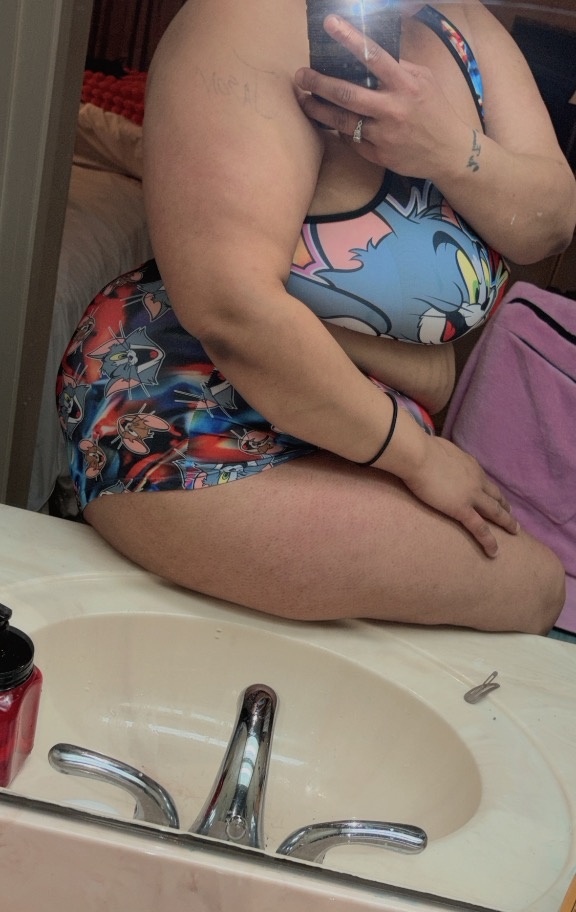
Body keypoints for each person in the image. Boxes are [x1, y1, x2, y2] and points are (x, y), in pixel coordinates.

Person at [57, 0, 576, 633]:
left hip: (352, 419)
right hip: (193, 407)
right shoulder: (247, 19)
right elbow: (232, 309)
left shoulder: (466, 26)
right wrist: (419, 455)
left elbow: (550, 225)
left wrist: (447, 149)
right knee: (535, 589)